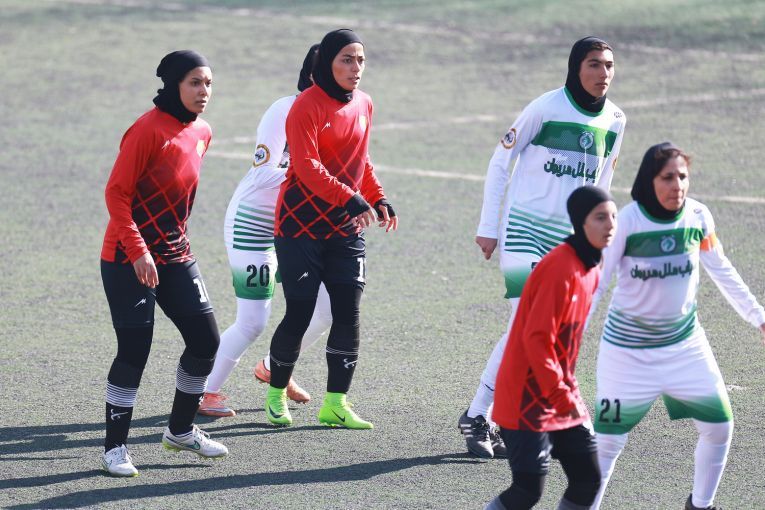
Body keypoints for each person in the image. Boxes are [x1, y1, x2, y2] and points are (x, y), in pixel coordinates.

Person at [460, 36, 626, 459]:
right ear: (576, 67)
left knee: (542, 334)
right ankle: (480, 414)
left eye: (608, 65)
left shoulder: (615, 120)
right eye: (594, 64)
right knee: (526, 326)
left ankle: (498, 416)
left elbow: (602, 186)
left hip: (567, 246)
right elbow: (501, 161)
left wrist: (597, 242)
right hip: (524, 232)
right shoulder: (545, 108)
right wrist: (488, 226)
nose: (603, 73)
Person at [589, 143, 765, 510]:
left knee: (719, 426)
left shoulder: (698, 217)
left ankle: (700, 505)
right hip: (627, 355)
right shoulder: (627, 222)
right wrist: (568, 338)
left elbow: (721, 269)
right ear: (649, 180)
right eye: (667, 177)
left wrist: (758, 316)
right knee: (607, 443)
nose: (677, 185)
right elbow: (597, 284)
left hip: (684, 346)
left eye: (682, 176)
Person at [100, 50, 227, 477]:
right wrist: (138, 250)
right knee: (135, 350)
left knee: (206, 341)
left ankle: (180, 431)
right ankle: (114, 449)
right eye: (194, 83)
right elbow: (117, 194)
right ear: (174, 85)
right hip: (127, 257)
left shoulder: (203, 131)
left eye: (208, 83)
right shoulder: (146, 130)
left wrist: (166, 247)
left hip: (175, 254)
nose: (204, 91)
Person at [263, 28, 397, 429]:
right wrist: (350, 197)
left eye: (360, 60)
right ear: (328, 63)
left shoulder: (365, 103)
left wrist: (377, 197)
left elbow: (361, 160)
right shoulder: (306, 105)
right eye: (346, 60)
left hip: (344, 229)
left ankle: (335, 404)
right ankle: (275, 394)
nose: (356, 68)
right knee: (300, 311)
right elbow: (306, 166)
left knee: (348, 313)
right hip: (299, 227)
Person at [198, 44, 333, 418]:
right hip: (253, 224)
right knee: (253, 320)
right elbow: (262, 174)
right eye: (341, 64)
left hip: (298, 227)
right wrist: (312, 180)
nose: (352, 73)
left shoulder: (338, 115)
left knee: (326, 309)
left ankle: (275, 367)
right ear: (314, 75)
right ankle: (204, 391)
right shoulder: (284, 110)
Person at [486, 186, 617, 510]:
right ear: (580, 222)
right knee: (527, 490)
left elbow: (564, 347)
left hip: (558, 391)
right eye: (600, 218)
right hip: (525, 398)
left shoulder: (592, 266)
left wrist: (567, 392)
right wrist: (561, 395)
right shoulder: (560, 268)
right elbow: (537, 340)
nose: (610, 225)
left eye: (613, 217)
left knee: (587, 479)